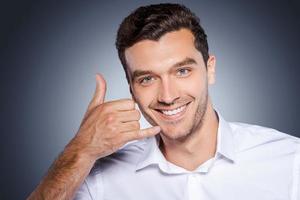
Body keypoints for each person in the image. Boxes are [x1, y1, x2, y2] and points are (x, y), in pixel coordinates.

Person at [28, 3, 300, 200]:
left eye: (182, 71)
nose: (168, 96)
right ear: (131, 88)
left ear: (211, 69)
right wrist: (82, 150)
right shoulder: (97, 178)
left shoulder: (291, 161)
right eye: (147, 79)